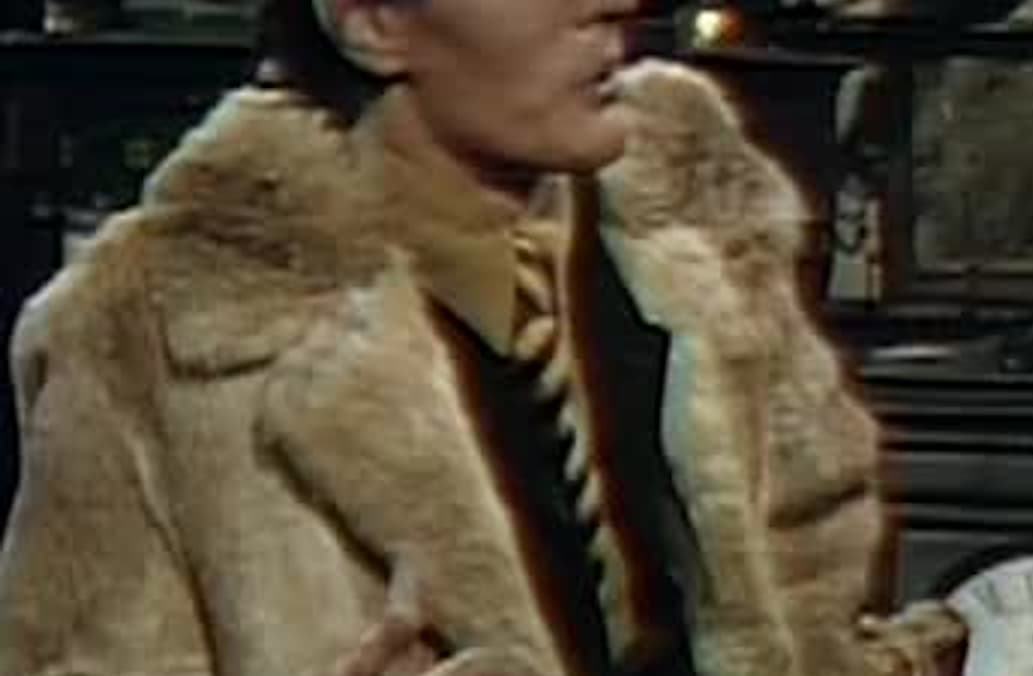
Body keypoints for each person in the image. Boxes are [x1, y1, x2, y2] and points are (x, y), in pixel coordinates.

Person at [0, 0, 965, 675]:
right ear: (374, 23)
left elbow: (824, 605)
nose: (617, 6)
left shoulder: (703, 244)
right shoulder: (155, 335)